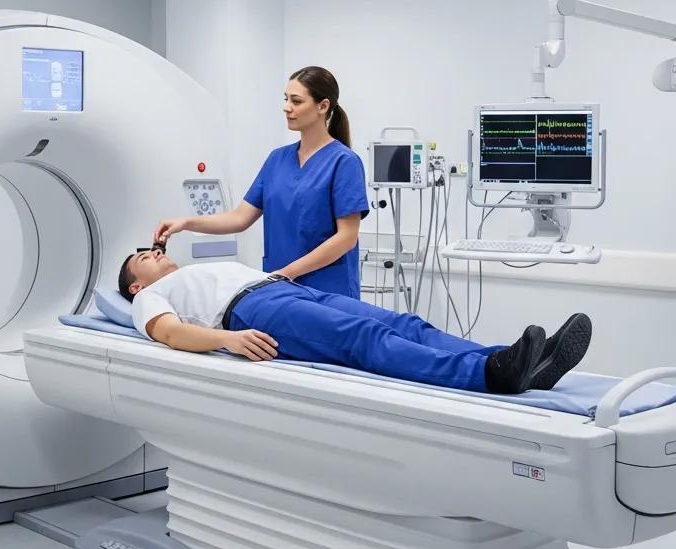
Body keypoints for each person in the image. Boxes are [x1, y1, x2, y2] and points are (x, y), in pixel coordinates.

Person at [117, 249, 592, 396]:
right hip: (252, 310)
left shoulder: (198, 267)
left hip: (284, 289)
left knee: (406, 323)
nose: (155, 254)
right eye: (143, 257)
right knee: (366, 340)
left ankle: (519, 361)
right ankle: (486, 375)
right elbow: (170, 333)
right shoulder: (151, 297)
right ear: (135, 286)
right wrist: (229, 339)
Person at [153, 67, 370, 298]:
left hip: (327, 289)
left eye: (296, 101)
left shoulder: (344, 162)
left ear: (323, 106)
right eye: (286, 99)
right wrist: (185, 223)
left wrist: (287, 273)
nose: (287, 107)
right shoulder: (277, 159)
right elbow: (239, 218)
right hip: (280, 286)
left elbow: (346, 237)